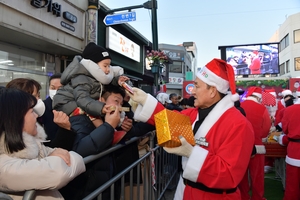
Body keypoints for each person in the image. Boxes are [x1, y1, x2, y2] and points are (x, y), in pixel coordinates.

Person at [128, 58, 254, 199]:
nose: (192, 91)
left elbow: (229, 175)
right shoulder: (193, 113)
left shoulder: (239, 125)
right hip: (185, 189)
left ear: (212, 91)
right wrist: (145, 101)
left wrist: (192, 153)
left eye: (197, 86)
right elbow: (168, 121)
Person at [0, 88, 85, 200]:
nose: (37, 116)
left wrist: (50, 160)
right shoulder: (4, 166)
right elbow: (59, 172)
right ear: (15, 118)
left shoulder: (33, 144)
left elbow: (75, 159)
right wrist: (53, 159)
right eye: (31, 111)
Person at [53, 42, 128, 122]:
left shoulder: (94, 77)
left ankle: (108, 130)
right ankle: (108, 132)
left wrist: (117, 80)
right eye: (105, 66)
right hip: (66, 106)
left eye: (109, 66)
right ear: (93, 65)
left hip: (77, 103)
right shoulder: (82, 78)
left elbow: (105, 83)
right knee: (93, 114)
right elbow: (82, 99)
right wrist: (101, 108)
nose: (108, 69)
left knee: (94, 110)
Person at [6, 78, 76, 150]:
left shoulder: (43, 117)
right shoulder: (11, 133)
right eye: (34, 97)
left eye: (38, 96)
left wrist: (65, 129)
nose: (39, 100)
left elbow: (49, 150)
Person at [239, 86, 271, 200]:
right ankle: (258, 197)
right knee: (257, 175)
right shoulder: (262, 109)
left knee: (241, 175)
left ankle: (243, 196)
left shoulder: (239, 107)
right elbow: (266, 129)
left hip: (240, 146)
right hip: (257, 146)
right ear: (259, 98)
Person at [278, 99, 300, 199]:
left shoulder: (289, 110)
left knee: (292, 183)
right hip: (294, 147)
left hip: (294, 151)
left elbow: (285, 129)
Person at [39, 73, 63, 140]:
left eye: (60, 88)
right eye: (53, 88)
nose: (56, 91)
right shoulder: (42, 106)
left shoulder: (73, 107)